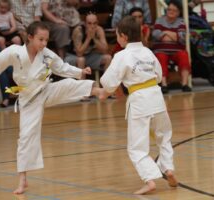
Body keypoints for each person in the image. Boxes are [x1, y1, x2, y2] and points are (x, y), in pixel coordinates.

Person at [0, 21, 106, 194]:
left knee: (67, 85)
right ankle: (22, 180)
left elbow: (61, 67)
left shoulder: (47, 54)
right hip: (29, 99)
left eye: (46, 40)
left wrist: (80, 72)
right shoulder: (15, 51)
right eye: (41, 40)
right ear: (30, 37)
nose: (44, 44)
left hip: (46, 90)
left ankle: (97, 91)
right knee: (26, 137)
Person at [100, 16, 178, 195]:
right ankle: (169, 169)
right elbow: (158, 76)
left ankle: (149, 180)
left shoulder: (122, 55)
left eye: (118, 35)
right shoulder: (148, 52)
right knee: (163, 136)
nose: (117, 38)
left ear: (124, 37)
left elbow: (109, 83)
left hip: (140, 101)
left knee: (137, 147)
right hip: (156, 98)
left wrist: (104, 91)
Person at [152, 0, 192, 93]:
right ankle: (164, 85)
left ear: (178, 12)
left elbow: (181, 38)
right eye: (169, 9)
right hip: (161, 50)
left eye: (174, 10)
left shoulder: (181, 22)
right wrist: (174, 35)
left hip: (177, 50)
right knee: (161, 57)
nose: (171, 12)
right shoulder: (160, 20)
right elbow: (155, 34)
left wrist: (165, 32)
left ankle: (185, 84)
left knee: (184, 55)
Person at [65, 13, 112, 79]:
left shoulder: (99, 30)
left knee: (108, 58)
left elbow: (105, 50)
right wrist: (88, 38)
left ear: (97, 23)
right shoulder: (78, 31)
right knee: (81, 60)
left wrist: (94, 38)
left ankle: (106, 85)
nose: (92, 26)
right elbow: (79, 53)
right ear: (85, 23)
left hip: (88, 56)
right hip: (72, 56)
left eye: (94, 23)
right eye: (89, 23)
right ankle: (82, 86)